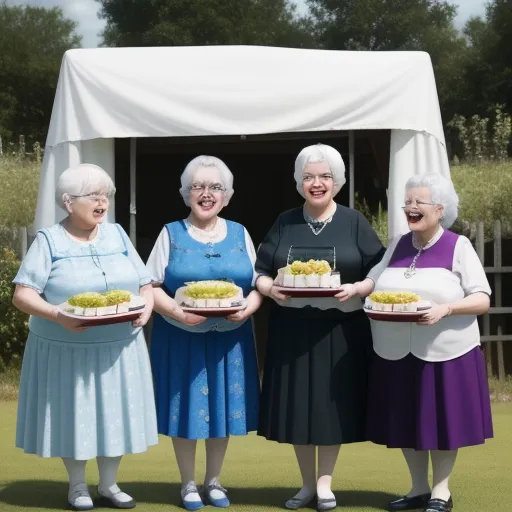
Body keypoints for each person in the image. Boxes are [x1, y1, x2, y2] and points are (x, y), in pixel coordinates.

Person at [12, 163, 158, 511]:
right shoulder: (49, 240)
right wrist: (58, 315)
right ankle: (77, 486)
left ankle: (109, 484)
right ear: (68, 201)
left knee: (115, 413)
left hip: (119, 346)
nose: (102, 202)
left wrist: (147, 309)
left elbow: (144, 283)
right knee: (73, 413)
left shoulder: (118, 234)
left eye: (105, 195)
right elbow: (22, 295)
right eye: (93, 196)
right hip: (66, 349)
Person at [343, 172, 492, 512]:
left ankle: (441, 492)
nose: (410, 208)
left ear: (439, 209)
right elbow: (374, 280)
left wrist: (446, 308)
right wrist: (356, 290)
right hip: (396, 351)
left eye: (418, 202)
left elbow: (483, 298)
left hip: (446, 353)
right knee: (407, 420)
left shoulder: (459, 246)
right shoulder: (397, 243)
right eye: (407, 202)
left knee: (442, 424)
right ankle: (418, 489)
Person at [254, 143, 385, 511]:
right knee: (298, 407)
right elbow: (260, 271)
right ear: (299, 182)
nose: (317, 183)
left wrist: (360, 288)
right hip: (291, 329)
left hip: (340, 330)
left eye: (325, 176)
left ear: (337, 182)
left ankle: (325, 485)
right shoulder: (284, 221)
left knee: (331, 408)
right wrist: (269, 288)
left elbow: (378, 267)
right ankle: (305, 485)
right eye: (309, 177)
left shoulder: (354, 221)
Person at [146, 155, 261, 511]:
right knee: (186, 410)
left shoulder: (241, 233)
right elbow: (149, 286)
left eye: (215, 187)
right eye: (198, 186)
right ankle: (188, 484)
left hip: (231, 337)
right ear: (186, 194)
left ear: (226, 195)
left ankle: (213, 481)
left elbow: (258, 284)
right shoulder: (170, 233)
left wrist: (249, 307)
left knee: (222, 408)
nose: (206, 194)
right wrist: (178, 311)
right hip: (181, 336)